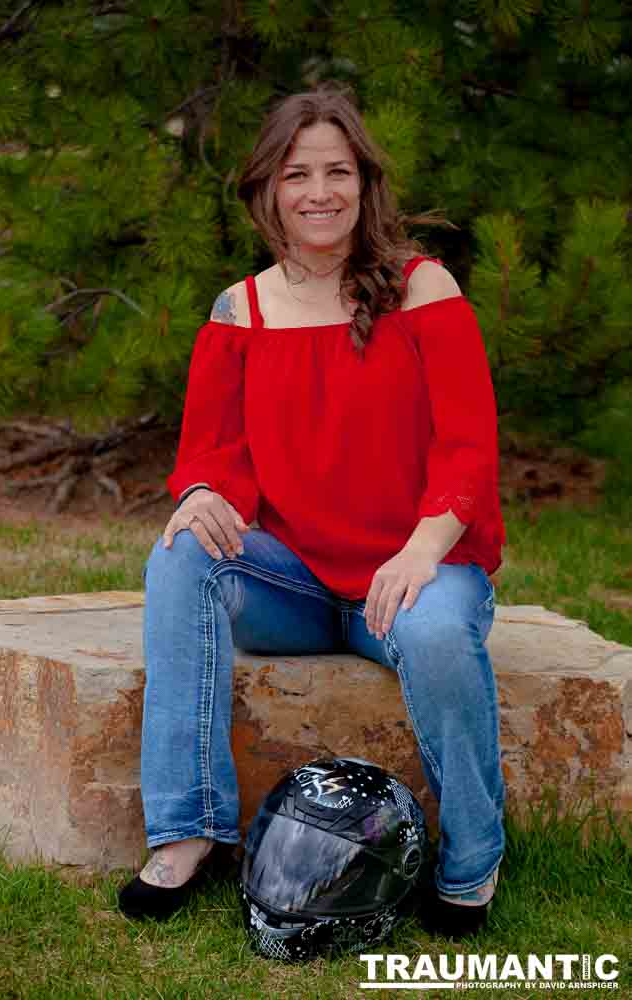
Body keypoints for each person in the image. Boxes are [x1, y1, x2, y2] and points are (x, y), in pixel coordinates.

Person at [118, 86, 506, 940]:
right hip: (291, 587)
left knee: (440, 633)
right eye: (298, 174)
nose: (318, 192)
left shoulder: (422, 288)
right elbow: (209, 458)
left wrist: (421, 551)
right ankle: (186, 829)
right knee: (181, 553)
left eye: (338, 171)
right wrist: (204, 495)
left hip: (415, 570)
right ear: (267, 188)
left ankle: (471, 864)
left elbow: (468, 449)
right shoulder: (239, 310)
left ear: (365, 185)